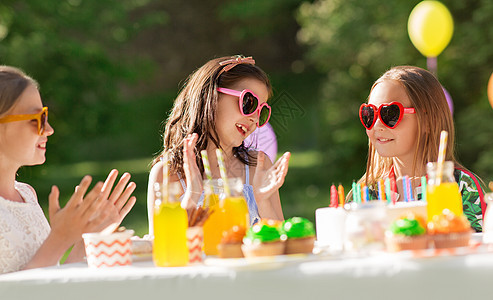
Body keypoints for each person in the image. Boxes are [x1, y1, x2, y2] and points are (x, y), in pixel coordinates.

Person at [0, 66, 137, 274]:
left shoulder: (27, 195)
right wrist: (59, 239)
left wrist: (87, 237)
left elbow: (51, 281)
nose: (49, 129)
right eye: (37, 120)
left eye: (45, 117)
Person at [147, 55, 290, 235]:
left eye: (261, 111)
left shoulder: (256, 167)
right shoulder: (167, 175)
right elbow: (162, 247)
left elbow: (283, 243)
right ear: (210, 96)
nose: (254, 118)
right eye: (248, 103)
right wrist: (192, 194)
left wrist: (262, 201)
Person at [355, 65, 486, 231]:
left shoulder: (460, 187)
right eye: (370, 114)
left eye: (390, 113)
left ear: (427, 121)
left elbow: (478, 249)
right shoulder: (366, 193)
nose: (377, 125)